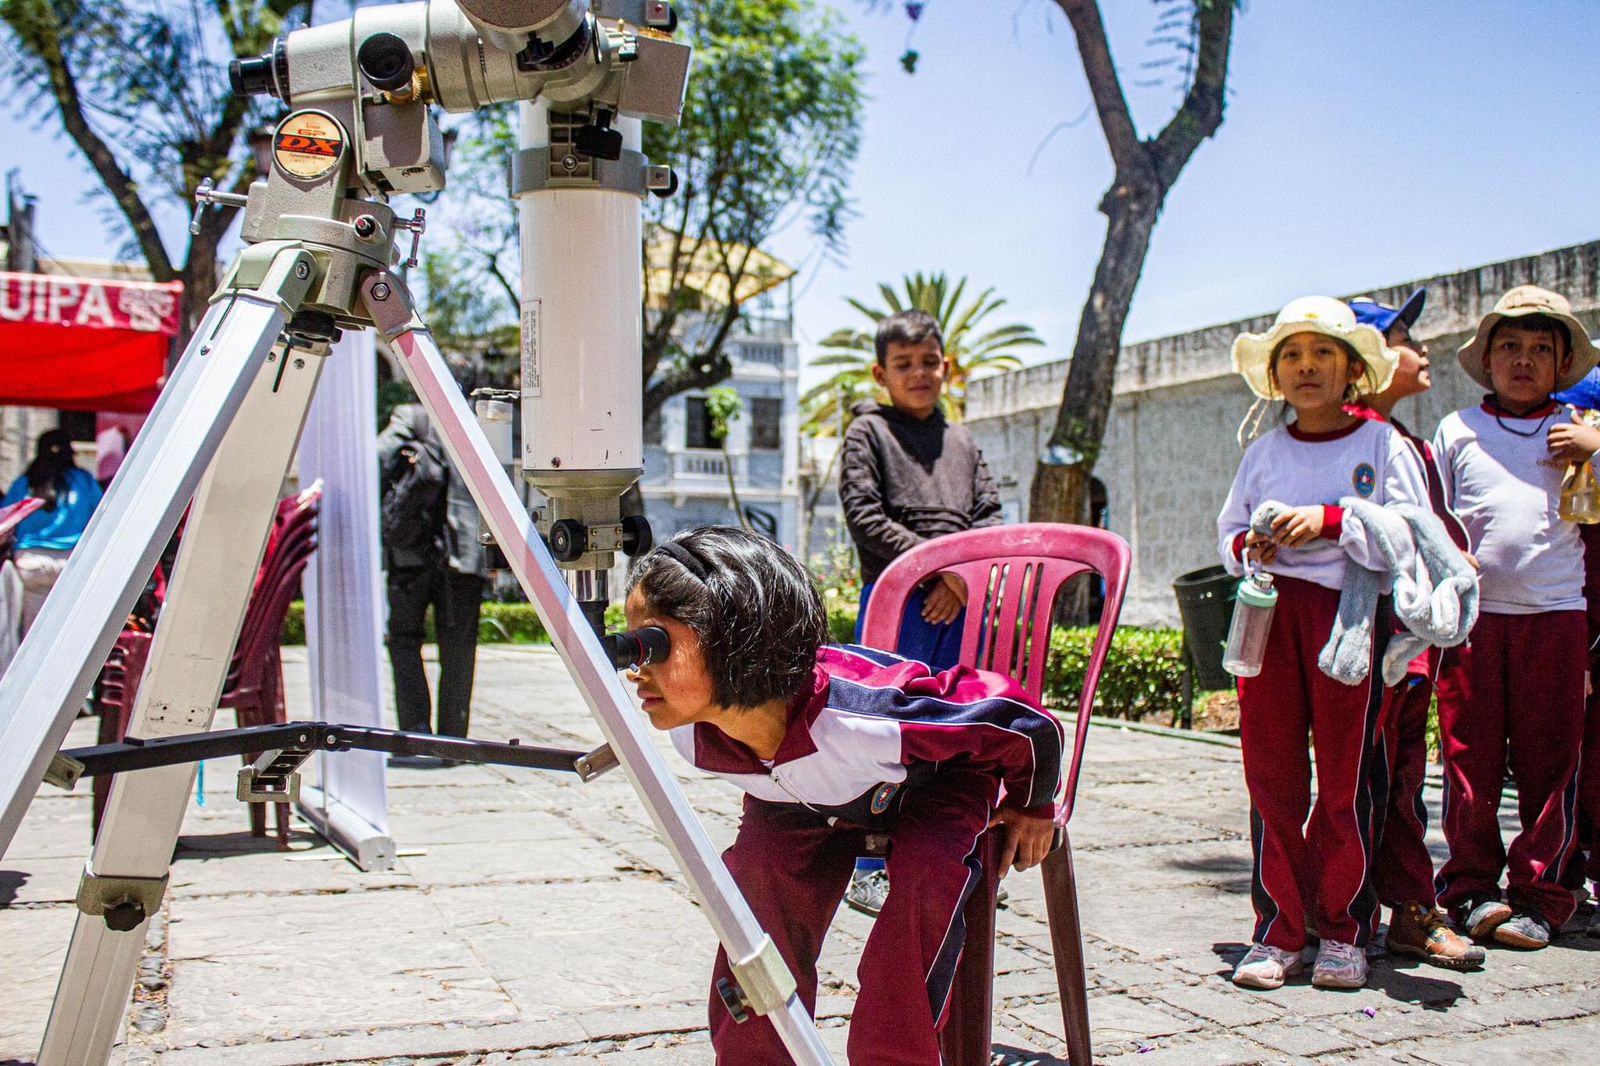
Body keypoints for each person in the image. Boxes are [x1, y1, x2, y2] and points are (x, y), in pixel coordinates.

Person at [622, 527, 1062, 1065]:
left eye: (653, 644)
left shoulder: (865, 718)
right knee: (758, 890)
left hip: (930, 783)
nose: (634, 668)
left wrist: (1033, 804)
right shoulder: (692, 735)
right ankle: (757, 1057)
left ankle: (893, 1056)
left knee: (926, 885)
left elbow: (1022, 723)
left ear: (735, 637)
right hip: (805, 802)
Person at [1217, 296, 1425, 991]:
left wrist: (1333, 520)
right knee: (1272, 778)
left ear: (1353, 371)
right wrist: (1251, 542)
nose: (1307, 368)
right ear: (1275, 375)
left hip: (1351, 624)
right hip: (1270, 620)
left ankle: (1344, 927)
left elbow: (1409, 533)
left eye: (1323, 355)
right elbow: (1227, 534)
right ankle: (1280, 929)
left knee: (1345, 780)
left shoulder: (1381, 445)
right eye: (1292, 357)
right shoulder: (1263, 453)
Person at [1432, 285, 1600, 950]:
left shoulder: (1582, 432)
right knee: (1467, 759)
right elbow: (1431, 517)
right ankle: (1471, 890)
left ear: (1563, 365)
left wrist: (1594, 447)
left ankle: (1543, 893)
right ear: (1487, 359)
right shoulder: (1456, 430)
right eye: (1509, 347)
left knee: (1551, 760)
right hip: (1471, 622)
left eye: (1540, 349)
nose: (1523, 360)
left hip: (1557, 617)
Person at [838, 308, 1003, 914]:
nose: (918, 374)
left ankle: (950, 855)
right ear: (881, 373)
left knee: (958, 729)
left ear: (947, 367)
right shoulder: (867, 434)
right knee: (883, 732)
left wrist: (963, 578)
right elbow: (866, 516)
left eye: (928, 362)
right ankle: (871, 863)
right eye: (903, 365)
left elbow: (989, 512)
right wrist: (939, 569)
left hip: (962, 609)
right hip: (896, 607)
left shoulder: (961, 441)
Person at [1344, 291, 1485, 971]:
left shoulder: (1404, 441)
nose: (1423, 351)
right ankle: (1380, 908)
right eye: (1404, 336)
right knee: (1378, 777)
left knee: (1399, 774)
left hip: (1411, 638)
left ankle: (1396, 906)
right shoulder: (1356, 439)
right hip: (1377, 637)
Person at [378, 397, 487, 750]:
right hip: (466, 552)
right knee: (459, 648)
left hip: (411, 547)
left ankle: (415, 731)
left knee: (404, 639)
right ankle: (453, 740)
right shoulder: (484, 421)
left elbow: (379, 455)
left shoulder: (413, 416)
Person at [1, 429, 104, 633]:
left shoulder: (25, 483)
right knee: (68, 627)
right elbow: (102, 516)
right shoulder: (83, 480)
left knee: (34, 629)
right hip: (72, 561)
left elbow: (6, 518)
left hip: (30, 563)